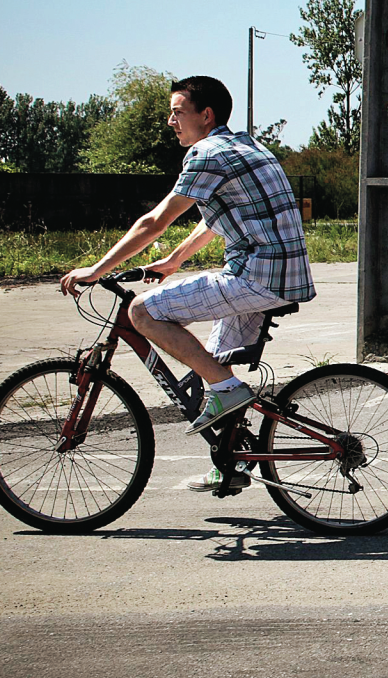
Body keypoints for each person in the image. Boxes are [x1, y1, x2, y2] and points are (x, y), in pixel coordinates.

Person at [60, 77, 314, 489]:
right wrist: (175, 261)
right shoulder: (243, 146)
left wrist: (96, 270)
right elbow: (218, 218)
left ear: (205, 115)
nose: (170, 120)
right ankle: (233, 464)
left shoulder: (206, 153)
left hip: (255, 277)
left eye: (178, 111)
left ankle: (228, 394)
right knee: (213, 365)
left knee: (140, 311)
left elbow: (155, 221)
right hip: (282, 276)